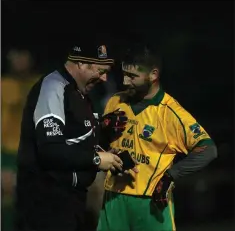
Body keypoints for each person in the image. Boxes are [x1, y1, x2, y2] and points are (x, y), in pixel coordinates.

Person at [97, 45, 218, 231]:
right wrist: (103, 130)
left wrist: (170, 176)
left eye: (132, 76)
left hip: (151, 202)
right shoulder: (115, 101)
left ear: (153, 75)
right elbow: (98, 145)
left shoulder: (170, 113)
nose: (125, 81)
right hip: (113, 198)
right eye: (123, 74)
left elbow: (208, 150)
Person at [15, 43, 131, 231]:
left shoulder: (80, 93)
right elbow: (50, 150)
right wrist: (96, 159)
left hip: (70, 202)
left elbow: (74, 143)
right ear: (81, 64)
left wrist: (105, 147)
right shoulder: (53, 87)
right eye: (100, 71)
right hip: (46, 205)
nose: (104, 78)